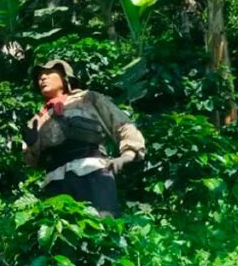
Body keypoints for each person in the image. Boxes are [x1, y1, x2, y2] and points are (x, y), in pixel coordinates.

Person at [22, 59, 146, 217]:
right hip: (56, 182)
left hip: (92, 171)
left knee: (103, 228)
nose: (42, 78)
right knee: (64, 236)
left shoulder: (88, 99)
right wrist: (32, 144)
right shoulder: (37, 119)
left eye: (48, 73)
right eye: (39, 77)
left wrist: (127, 155)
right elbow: (31, 162)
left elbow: (122, 124)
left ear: (65, 77)